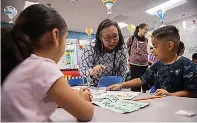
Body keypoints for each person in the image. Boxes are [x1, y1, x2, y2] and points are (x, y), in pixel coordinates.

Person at [1, 4, 94, 122]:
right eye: (65, 39)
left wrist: (72, 98)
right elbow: (86, 114)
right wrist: (83, 99)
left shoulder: (22, 65)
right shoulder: (44, 67)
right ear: (55, 36)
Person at [107, 25, 197, 98]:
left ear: (169, 46)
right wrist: (121, 85)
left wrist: (171, 95)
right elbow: (141, 80)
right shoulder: (158, 65)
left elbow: (193, 92)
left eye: (155, 46)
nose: (152, 50)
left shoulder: (187, 65)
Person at [79, 19, 128, 87]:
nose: (112, 41)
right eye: (107, 38)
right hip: (95, 86)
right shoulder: (91, 47)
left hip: (115, 86)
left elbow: (123, 70)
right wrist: (92, 71)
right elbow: (83, 68)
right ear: (100, 37)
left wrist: (119, 85)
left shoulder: (122, 47)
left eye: (115, 36)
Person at [127, 23, 149, 92]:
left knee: (144, 82)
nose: (146, 31)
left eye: (147, 30)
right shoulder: (132, 38)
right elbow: (126, 47)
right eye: (145, 29)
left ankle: (145, 95)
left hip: (144, 64)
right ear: (140, 29)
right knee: (135, 85)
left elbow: (146, 50)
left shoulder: (146, 40)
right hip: (135, 64)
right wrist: (129, 59)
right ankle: (136, 97)